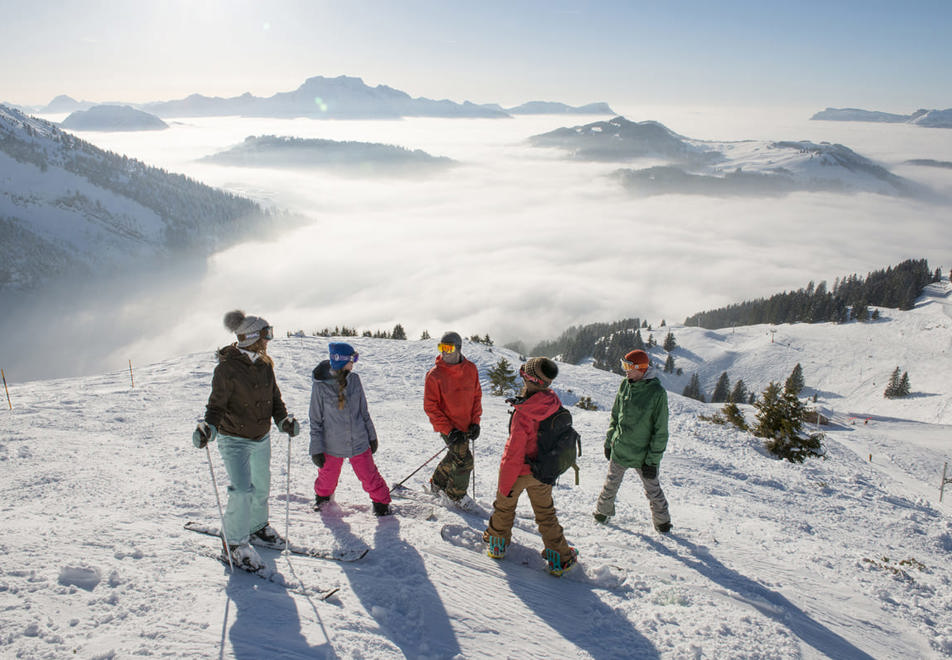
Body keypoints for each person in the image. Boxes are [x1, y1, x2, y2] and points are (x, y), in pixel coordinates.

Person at [192, 310, 300, 570]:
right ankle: (233, 543)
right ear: (252, 337)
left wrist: (283, 421)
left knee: (261, 488)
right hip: (235, 439)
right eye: (266, 335)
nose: (269, 340)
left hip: (261, 437)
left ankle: (256, 527)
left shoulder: (265, 365)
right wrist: (210, 429)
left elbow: (275, 400)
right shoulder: (227, 369)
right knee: (241, 490)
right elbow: (216, 407)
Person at [483, 357, 578, 576]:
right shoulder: (553, 403)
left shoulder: (524, 413)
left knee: (504, 507)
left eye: (523, 372)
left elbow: (513, 453)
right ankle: (560, 558)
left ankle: (497, 545)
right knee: (546, 514)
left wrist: (504, 483)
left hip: (519, 471)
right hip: (542, 472)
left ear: (529, 378)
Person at [309, 342, 392, 516]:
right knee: (327, 477)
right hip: (332, 444)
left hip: (359, 441)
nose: (354, 362)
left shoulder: (354, 380)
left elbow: (363, 411)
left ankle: (382, 503)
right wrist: (316, 449)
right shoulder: (320, 386)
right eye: (352, 358)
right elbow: (315, 420)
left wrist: (372, 436)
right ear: (341, 360)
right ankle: (323, 499)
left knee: (370, 476)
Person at [593, 349, 672, 533]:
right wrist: (609, 441)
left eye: (628, 367)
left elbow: (661, 430)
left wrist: (652, 460)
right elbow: (615, 415)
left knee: (652, 489)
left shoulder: (657, 393)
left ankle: (662, 523)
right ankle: (602, 513)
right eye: (624, 366)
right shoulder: (625, 385)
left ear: (641, 368)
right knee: (610, 483)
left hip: (643, 455)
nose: (625, 370)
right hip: (620, 448)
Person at [423, 331, 482, 506]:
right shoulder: (434, 375)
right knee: (464, 460)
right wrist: (449, 430)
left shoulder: (470, 369)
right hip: (449, 426)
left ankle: (437, 484)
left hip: (466, 424)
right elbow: (431, 407)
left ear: (458, 348)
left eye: (448, 348)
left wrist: (475, 423)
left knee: (455, 455)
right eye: (441, 347)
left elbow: (476, 396)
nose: (445, 352)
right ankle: (454, 496)